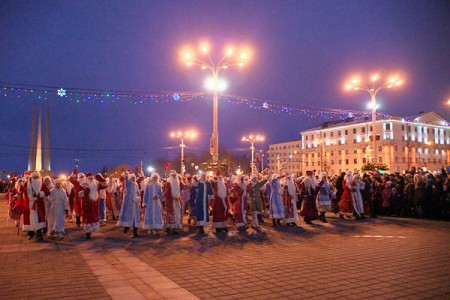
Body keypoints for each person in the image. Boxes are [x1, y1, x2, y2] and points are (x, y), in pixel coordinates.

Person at [21, 171, 51, 240]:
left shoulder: (42, 184)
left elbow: (47, 192)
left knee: (39, 219)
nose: (36, 179)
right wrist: (21, 190)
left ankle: (39, 233)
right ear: (31, 177)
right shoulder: (26, 184)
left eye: (37, 177)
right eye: (34, 177)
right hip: (29, 204)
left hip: (39, 204)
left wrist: (39, 194)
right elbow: (22, 192)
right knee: (29, 219)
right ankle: (30, 233)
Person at [117, 171, 142, 237]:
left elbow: (138, 194)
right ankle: (126, 227)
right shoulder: (128, 185)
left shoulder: (136, 185)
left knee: (135, 219)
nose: (133, 179)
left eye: (134, 178)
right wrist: (126, 174)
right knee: (128, 217)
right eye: (132, 178)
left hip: (135, 205)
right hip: (129, 204)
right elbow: (126, 180)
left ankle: (135, 232)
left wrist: (138, 198)